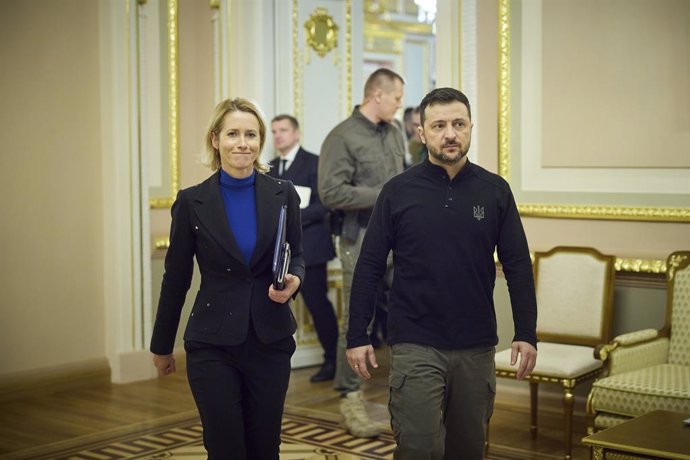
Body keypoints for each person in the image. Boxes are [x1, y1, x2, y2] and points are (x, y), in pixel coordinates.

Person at [345, 87, 538, 459]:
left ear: (469, 128)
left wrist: (526, 332)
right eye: (439, 125)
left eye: (458, 124)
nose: (450, 133)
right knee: (419, 446)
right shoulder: (397, 191)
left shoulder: (495, 191)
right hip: (415, 342)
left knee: (467, 450)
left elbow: (516, 265)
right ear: (422, 133)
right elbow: (369, 265)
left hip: (476, 345)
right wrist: (357, 334)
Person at [150, 98, 305, 460]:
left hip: (270, 339)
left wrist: (295, 278)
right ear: (216, 139)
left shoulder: (283, 194)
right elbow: (176, 278)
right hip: (212, 343)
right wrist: (161, 345)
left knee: (265, 447)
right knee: (225, 448)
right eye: (233, 134)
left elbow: (296, 253)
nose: (243, 143)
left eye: (251, 134)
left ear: (260, 140)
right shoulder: (191, 202)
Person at [318, 67, 405, 438]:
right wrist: (385, 194)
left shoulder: (396, 132)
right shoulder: (341, 136)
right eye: (397, 99)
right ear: (377, 95)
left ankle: (407, 396)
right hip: (359, 239)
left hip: (399, 239)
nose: (400, 106)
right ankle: (350, 399)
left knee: (406, 313)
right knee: (357, 321)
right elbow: (330, 192)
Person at [268, 114, 338, 383]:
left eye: (283, 130)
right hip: (277, 249)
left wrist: (295, 216)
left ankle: (332, 360)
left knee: (317, 305)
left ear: (296, 134)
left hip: (312, 246)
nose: (278, 136)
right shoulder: (269, 167)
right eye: (274, 131)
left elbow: (326, 204)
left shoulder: (314, 163)